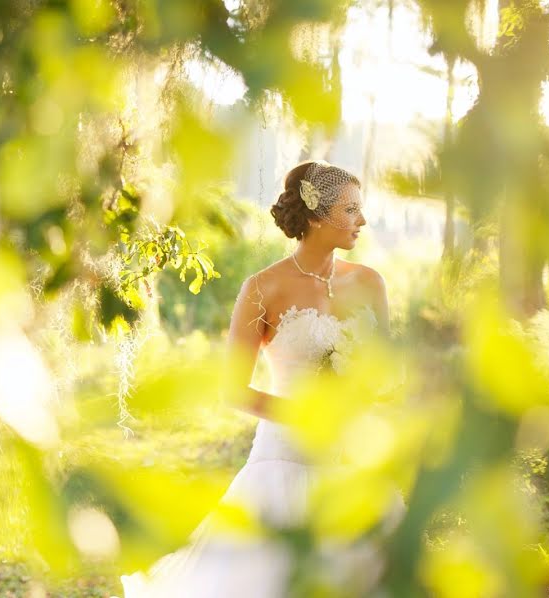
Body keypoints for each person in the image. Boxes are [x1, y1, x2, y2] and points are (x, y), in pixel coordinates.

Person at [120, 160, 401, 597]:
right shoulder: (261, 288)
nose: (362, 220)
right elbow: (232, 389)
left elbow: (384, 372)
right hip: (284, 461)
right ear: (314, 215)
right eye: (351, 210)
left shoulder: (371, 283)